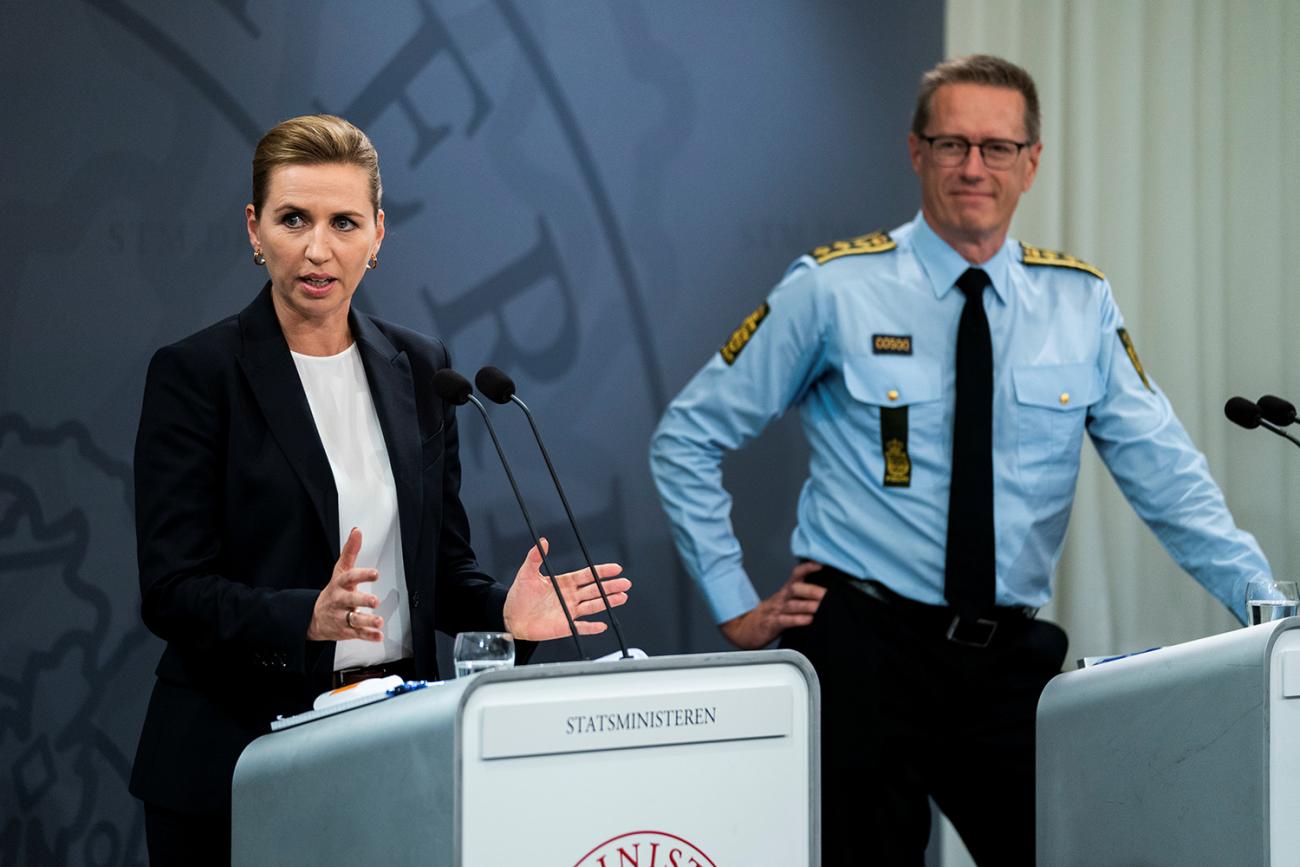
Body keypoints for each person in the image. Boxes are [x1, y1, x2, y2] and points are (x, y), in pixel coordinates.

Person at [649, 55, 1270, 866]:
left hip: (1007, 661)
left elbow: (1169, 480)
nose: (974, 166)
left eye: (997, 147)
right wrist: (734, 602)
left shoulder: (1079, 304)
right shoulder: (835, 289)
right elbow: (686, 438)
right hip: (864, 649)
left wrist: (1272, 615)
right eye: (952, 144)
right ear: (916, 153)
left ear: (1032, 162)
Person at [129, 114, 631, 866]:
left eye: (344, 221)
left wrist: (505, 611)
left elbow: (439, 571)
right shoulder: (198, 375)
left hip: (396, 749)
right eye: (293, 219)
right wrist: (309, 616)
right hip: (239, 756)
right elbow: (171, 588)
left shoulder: (419, 367)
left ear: (378, 233)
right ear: (254, 229)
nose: (318, 248)